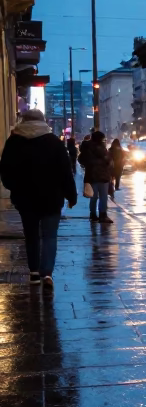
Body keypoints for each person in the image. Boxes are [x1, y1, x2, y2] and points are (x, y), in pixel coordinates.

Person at [0, 109, 76, 290]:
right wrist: (71, 195)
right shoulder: (53, 142)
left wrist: (14, 187)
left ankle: (34, 272)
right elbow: (65, 172)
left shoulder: (14, 141)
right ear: (43, 121)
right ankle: (47, 272)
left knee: (31, 235)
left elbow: (5, 170)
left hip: (25, 198)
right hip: (51, 197)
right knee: (50, 236)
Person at [78, 131, 114, 223]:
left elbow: (81, 159)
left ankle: (93, 214)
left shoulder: (86, 148)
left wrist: (88, 165)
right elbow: (108, 160)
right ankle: (103, 215)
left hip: (91, 175)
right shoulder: (102, 148)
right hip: (103, 175)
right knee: (103, 197)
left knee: (93, 197)